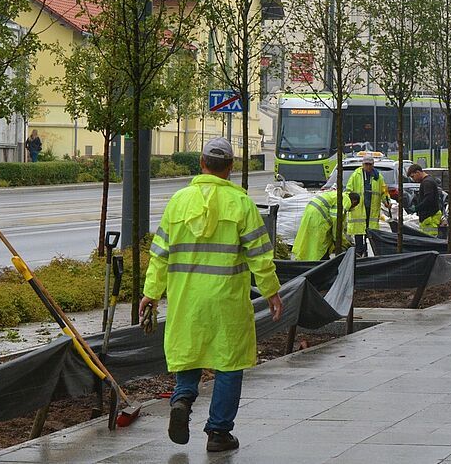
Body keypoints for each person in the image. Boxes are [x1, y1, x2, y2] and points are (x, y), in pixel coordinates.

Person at [138, 137, 282, 453]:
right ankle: (218, 433)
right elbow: (260, 255)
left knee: (189, 350)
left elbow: (160, 253)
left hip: (186, 297)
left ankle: (183, 397)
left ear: (201, 163)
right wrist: (271, 292)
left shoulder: (178, 201)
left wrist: (151, 293)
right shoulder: (242, 203)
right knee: (229, 362)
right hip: (227, 299)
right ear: (230, 168)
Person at [291, 191, 360, 261]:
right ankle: (319, 261)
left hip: (310, 211)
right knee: (320, 242)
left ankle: (307, 259)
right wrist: (336, 237)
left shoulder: (339, 195)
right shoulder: (346, 200)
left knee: (308, 240)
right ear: (354, 201)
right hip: (318, 216)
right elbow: (336, 219)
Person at [345, 156, 388, 257]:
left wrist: (387, 201)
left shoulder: (378, 177)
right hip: (359, 209)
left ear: (373, 165)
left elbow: (384, 191)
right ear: (363, 165)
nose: (368, 166)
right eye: (366, 164)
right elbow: (348, 190)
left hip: (372, 209)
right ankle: (359, 252)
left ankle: (372, 252)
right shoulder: (356, 175)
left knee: (371, 232)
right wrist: (350, 203)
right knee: (359, 232)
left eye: (370, 164)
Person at [405, 164, 445, 237]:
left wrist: (417, 208)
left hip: (429, 218)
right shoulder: (428, 181)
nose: (413, 179)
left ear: (418, 172)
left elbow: (428, 199)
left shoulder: (427, 182)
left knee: (429, 239)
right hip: (429, 218)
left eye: (412, 176)